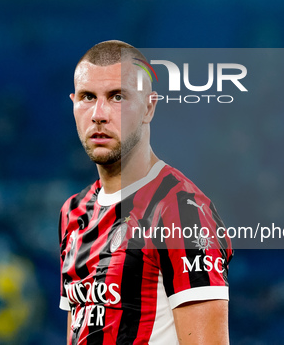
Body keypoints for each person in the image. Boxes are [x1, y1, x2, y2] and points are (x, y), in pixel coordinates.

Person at [59, 40, 233, 344]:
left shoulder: (182, 210)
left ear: (149, 107)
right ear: (74, 104)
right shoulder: (72, 212)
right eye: (88, 97)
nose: (99, 114)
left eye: (117, 97)